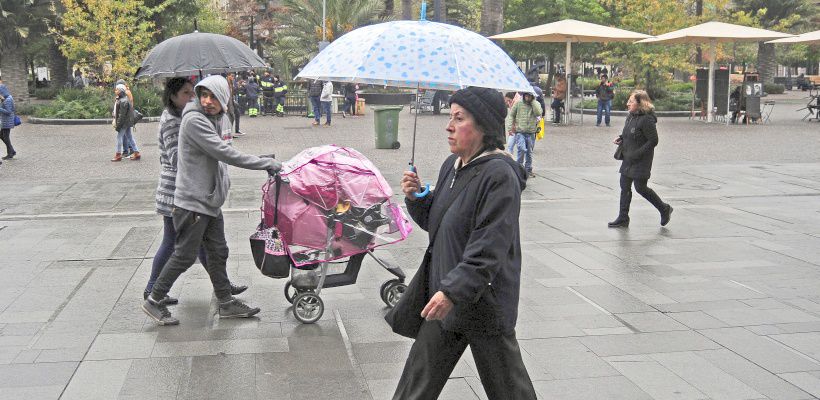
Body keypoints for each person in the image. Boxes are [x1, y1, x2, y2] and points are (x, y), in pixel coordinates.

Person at [394, 86, 536, 400]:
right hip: (445, 296)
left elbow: (489, 246)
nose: (449, 125)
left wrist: (452, 291)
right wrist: (418, 198)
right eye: (450, 116)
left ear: (483, 126)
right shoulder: (453, 166)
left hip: (482, 302)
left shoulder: (499, 176)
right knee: (414, 388)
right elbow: (440, 222)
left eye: (459, 118)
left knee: (510, 390)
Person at [142, 75, 280, 326]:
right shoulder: (195, 120)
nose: (207, 101)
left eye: (213, 96)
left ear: (224, 97)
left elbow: (222, 148)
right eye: (202, 95)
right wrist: (265, 163)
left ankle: (226, 303)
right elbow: (224, 152)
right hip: (193, 202)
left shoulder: (211, 119)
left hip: (208, 201)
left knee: (218, 251)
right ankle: (154, 299)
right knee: (184, 255)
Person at [147, 77, 248, 303]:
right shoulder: (175, 121)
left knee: (209, 246)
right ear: (172, 96)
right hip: (177, 191)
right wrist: (207, 147)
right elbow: (177, 158)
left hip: (197, 192)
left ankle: (222, 288)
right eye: (186, 93)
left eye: (194, 93)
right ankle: (152, 290)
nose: (194, 98)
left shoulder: (194, 117)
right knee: (176, 246)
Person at [609, 90, 673, 228]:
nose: (627, 104)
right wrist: (621, 137)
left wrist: (638, 153)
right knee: (624, 186)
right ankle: (623, 217)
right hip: (628, 157)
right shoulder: (631, 116)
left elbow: (653, 140)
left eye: (631, 101)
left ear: (640, 103)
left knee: (640, 188)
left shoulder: (647, 119)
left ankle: (664, 208)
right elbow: (630, 132)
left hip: (641, 160)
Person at [507, 91, 542, 178]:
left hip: (531, 132)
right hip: (520, 132)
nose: (528, 98)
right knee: (522, 149)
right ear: (524, 95)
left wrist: (533, 102)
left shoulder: (536, 104)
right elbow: (511, 115)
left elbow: (538, 113)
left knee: (529, 152)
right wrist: (509, 127)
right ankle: (519, 168)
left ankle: (528, 169)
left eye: (530, 96)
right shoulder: (518, 103)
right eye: (526, 95)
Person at [111, 84, 140, 162]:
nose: (115, 91)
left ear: (121, 90)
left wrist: (118, 126)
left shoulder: (123, 101)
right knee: (129, 137)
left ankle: (118, 155)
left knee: (119, 137)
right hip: (127, 122)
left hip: (123, 123)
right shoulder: (123, 99)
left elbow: (121, 116)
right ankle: (136, 152)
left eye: (117, 89)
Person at [0, 84, 17, 161]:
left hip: (7, 121)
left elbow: (9, 111)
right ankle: (12, 151)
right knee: (2, 135)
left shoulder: (8, 99)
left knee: (6, 137)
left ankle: (10, 153)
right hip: (5, 121)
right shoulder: (6, 98)